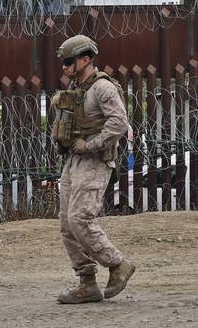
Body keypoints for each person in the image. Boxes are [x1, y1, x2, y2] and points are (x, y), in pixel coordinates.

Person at [50, 35, 136, 303]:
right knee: (67, 225)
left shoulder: (102, 88)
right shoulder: (80, 88)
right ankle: (87, 282)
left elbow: (119, 123)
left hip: (95, 161)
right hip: (73, 161)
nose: (64, 67)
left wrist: (91, 145)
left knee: (80, 219)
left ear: (85, 59)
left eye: (68, 61)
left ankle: (117, 263)